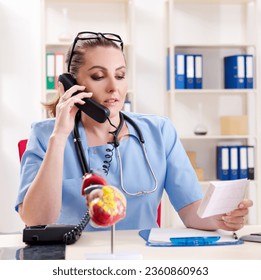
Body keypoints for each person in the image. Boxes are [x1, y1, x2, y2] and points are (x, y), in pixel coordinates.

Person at [15, 31, 253, 232]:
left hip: (141, 260)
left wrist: (223, 217)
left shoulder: (159, 132)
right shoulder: (46, 135)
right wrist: (59, 138)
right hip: (72, 262)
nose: (113, 87)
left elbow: (191, 212)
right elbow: (36, 221)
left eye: (120, 75)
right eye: (98, 76)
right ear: (69, 85)